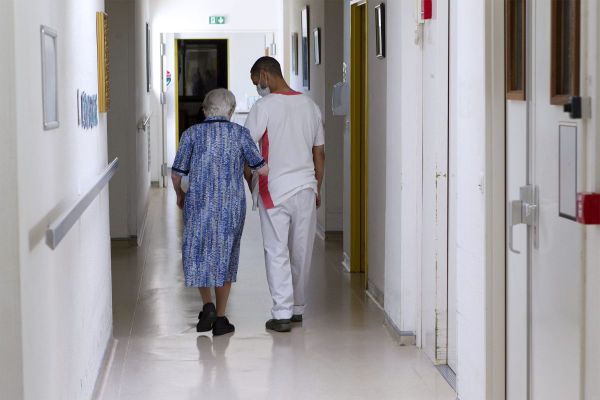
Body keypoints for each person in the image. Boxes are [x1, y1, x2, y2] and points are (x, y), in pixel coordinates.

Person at [171, 88, 269, 336]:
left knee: (199, 251)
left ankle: (207, 306)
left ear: (205, 110)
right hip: (231, 205)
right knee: (226, 254)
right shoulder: (240, 134)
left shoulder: (191, 134)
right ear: (232, 111)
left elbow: (176, 173)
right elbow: (261, 167)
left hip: (199, 203)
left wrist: (180, 195)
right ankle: (222, 318)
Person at [245, 56, 325, 333]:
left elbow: (246, 147)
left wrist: (250, 182)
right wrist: (318, 188)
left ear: (265, 75)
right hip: (305, 188)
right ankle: (297, 308)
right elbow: (319, 152)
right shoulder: (310, 106)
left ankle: (281, 313)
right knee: (301, 251)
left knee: (276, 250)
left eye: (257, 82)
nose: (258, 87)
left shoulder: (263, 107)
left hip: (274, 189)